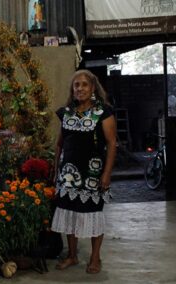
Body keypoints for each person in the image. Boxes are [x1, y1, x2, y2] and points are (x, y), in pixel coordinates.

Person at [51, 69, 117, 274]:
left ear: (93, 88)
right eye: (76, 85)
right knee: (70, 215)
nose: (80, 88)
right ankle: (72, 255)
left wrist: (106, 174)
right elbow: (60, 144)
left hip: (93, 175)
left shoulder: (103, 113)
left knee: (93, 214)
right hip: (68, 174)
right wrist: (56, 171)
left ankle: (95, 257)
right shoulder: (66, 112)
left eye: (84, 85)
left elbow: (112, 143)